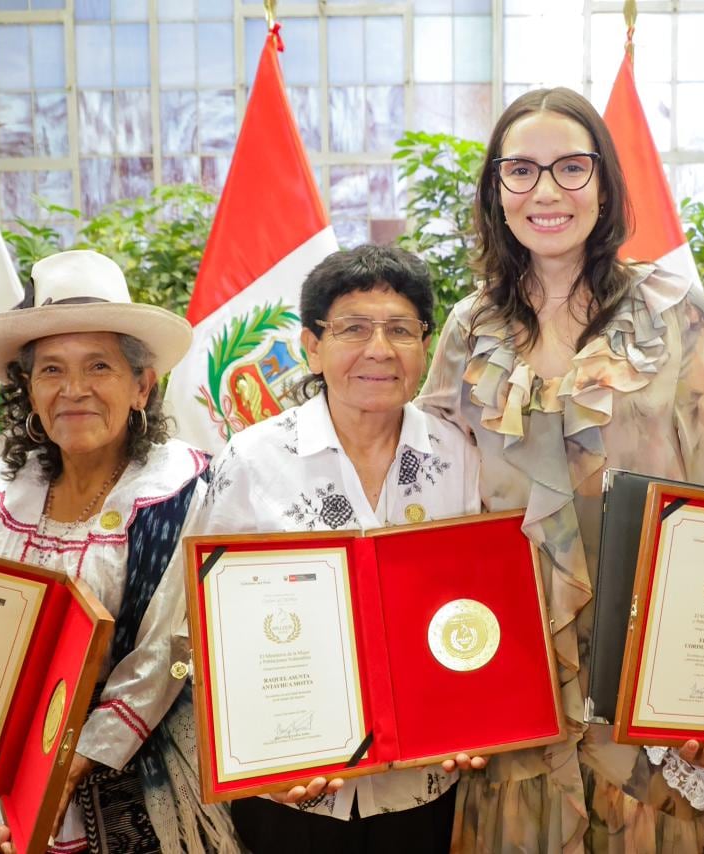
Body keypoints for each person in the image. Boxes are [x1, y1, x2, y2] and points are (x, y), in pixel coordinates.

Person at [417, 87, 704, 853]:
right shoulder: (469, 327)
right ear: (495, 191)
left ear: (604, 184)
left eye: (571, 168)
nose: (546, 191)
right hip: (507, 677)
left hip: (645, 673)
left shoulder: (672, 308)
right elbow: (430, 499)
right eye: (521, 171)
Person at [0, 250, 237, 853]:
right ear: (28, 389)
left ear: (142, 384)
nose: (74, 390)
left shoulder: (184, 488)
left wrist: (65, 767)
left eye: (100, 366)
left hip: (123, 766)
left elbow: (169, 653)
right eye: (51, 371)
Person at [187, 244, 482, 854]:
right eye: (353, 328)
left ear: (425, 345)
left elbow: (477, 599)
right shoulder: (251, 461)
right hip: (293, 785)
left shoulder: (461, 456)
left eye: (400, 329)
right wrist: (263, 751)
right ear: (312, 346)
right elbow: (208, 626)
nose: (379, 348)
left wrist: (476, 713)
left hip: (424, 781)